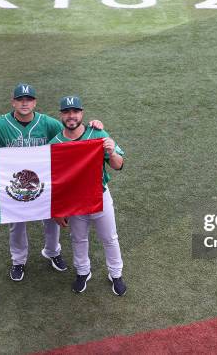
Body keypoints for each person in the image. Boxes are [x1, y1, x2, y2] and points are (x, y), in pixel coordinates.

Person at [0, 83, 104, 282]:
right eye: (20, 100)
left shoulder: (49, 123)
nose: (24, 103)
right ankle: (18, 260)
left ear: (35, 102)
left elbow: (73, 129)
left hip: (43, 181)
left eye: (29, 99)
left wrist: (94, 125)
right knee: (16, 222)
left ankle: (52, 251)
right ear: (13, 102)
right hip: (14, 183)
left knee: (51, 217)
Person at [50, 96, 127, 296]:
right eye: (66, 112)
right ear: (61, 115)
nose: (71, 116)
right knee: (78, 239)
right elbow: (54, 181)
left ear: (82, 113)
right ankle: (83, 272)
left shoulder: (98, 133)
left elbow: (118, 165)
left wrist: (111, 152)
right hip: (75, 201)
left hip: (100, 195)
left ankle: (116, 274)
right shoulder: (54, 143)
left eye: (75, 112)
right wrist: (58, 210)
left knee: (110, 238)